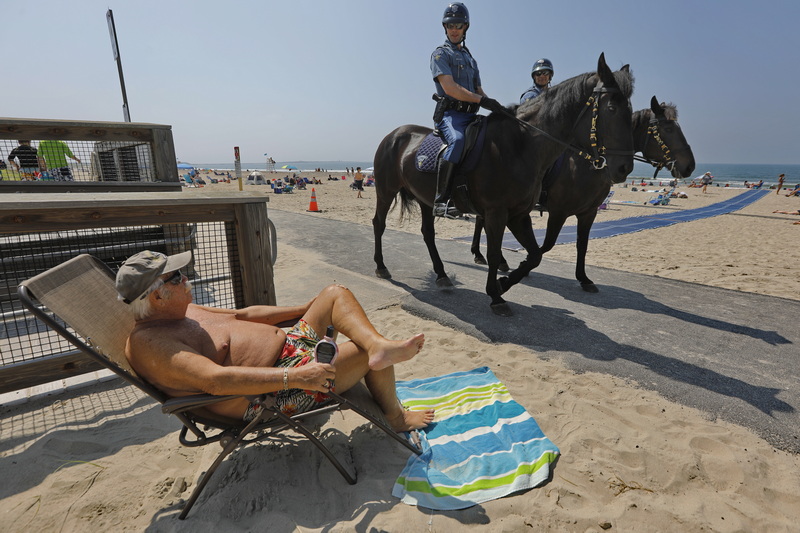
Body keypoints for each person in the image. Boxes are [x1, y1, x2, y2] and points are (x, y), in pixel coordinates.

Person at [116, 250, 434, 431]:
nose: (186, 278)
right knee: (362, 352)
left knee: (335, 294)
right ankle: (397, 418)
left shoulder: (181, 310)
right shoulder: (151, 344)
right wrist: (297, 376)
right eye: (176, 277)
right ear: (157, 295)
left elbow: (244, 315)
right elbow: (215, 381)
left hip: (289, 353)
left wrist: (304, 309)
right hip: (273, 394)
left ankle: (379, 346)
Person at [431, 2, 505, 218]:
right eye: (450, 25)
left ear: (465, 28)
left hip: (471, 115)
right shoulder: (439, 55)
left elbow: (478, 89)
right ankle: (441, 200)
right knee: (458, 141)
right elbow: (450, 88)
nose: (454, 29)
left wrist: (494, 106)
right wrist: (482, 100)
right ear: (445, 28)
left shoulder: (470, 58)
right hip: (450, 116)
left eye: (459, 25)